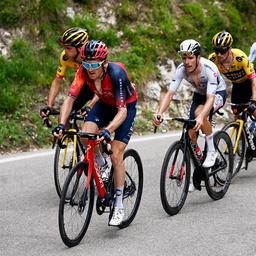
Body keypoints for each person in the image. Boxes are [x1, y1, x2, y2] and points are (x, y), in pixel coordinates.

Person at [52, 39, 138, 226]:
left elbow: (122, 111)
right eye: (86, 63)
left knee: (116, 154)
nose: (89, 68)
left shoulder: (116, 73)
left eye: (94, 64)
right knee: (84, 135)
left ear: (104, 62)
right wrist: (60, 124)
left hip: (124, 108)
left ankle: (118, 203)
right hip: (104, 105)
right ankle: (101, 165)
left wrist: (108, 130)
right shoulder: (83, 71)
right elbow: (69, 98)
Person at [153, 39, 227, 191]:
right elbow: (170, 94)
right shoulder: (181, 69)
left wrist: (201, 117)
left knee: (200, 114)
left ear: (198, 57)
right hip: (199, 94)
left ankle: (212, 151)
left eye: (190, 57)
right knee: (190, 133)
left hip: (216, 93)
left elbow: (211, 98)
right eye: (184, 57)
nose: (186, 62)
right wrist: (159, 112)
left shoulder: (209, 68)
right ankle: (198, 171)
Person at [40, 27, 97, 120]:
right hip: (84, 86)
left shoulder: (94, 58)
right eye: (64, 47)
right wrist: (49, 106)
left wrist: (89, 106)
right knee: (64, 116)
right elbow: (57, 81)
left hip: (101, 88)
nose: (65, 51)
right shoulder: (65, 57)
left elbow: (102, 87)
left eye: (68, 48)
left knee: (95, 122)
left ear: (80, 48)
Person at [209, 31, 256, 117]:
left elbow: (253, 79)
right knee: (235, 111)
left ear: (229, 49)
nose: (219, 54)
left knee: (252, 110)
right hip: (237, 84)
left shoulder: (240, 58)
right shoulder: (212, 59)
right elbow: (212, 81)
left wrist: (254, 98)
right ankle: (239, 128)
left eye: (222, 51)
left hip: (250, 81)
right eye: (216, 50)